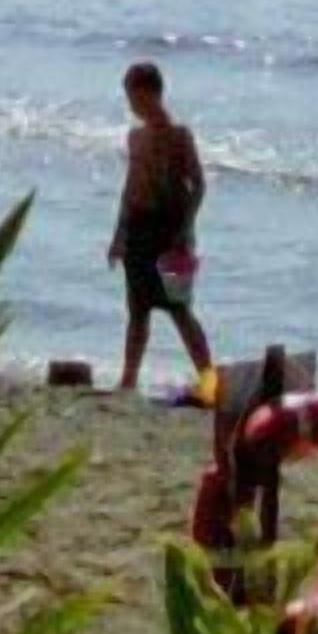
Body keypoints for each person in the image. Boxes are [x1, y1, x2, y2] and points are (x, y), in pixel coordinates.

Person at [112, 61, 217, 396]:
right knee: (137, 311)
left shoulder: (179, 136)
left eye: (135, 98)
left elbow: (198, 184)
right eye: (130, 99)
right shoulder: (135, 137)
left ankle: (209, 382)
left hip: (172, 229)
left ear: (152, 94)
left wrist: (186, 228)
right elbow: (130, 189)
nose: (132, 105)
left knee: (180, 309)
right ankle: (128, 379)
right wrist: (118, 235)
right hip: (139, 228)